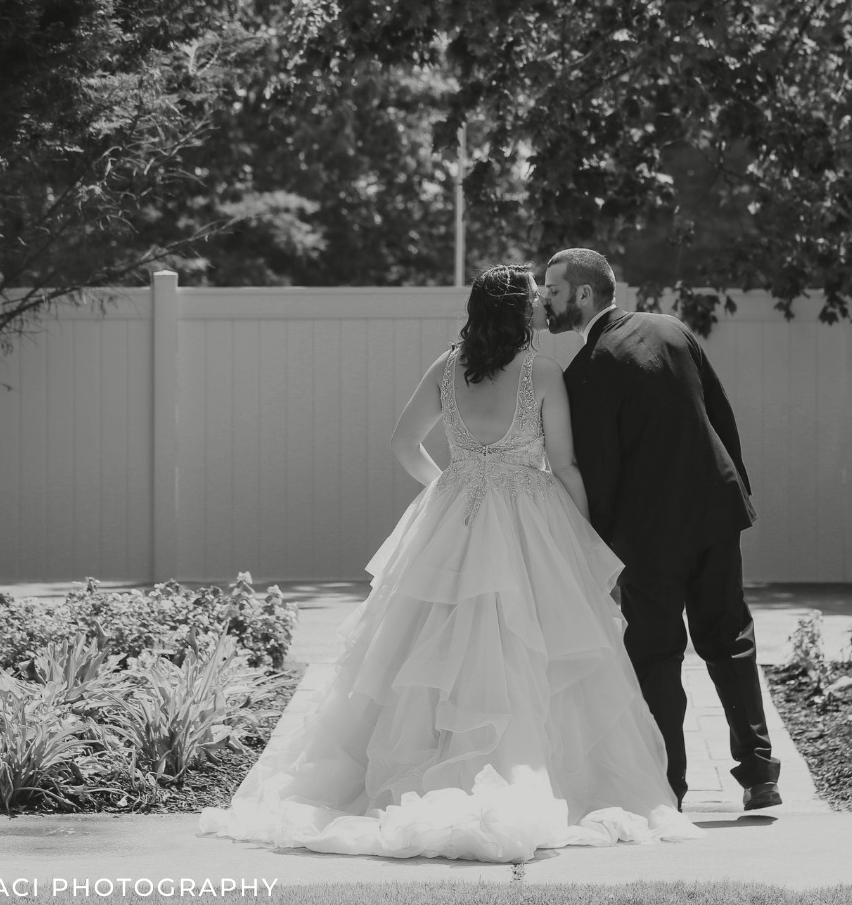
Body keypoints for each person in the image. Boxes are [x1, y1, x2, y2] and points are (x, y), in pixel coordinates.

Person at [199, 265, 703, 862]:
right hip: (530, 519)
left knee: (431, 646)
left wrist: (450, 483)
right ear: (518, 311)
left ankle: (433, 768)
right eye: (534, 299)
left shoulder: (448, 366)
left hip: (455, 515)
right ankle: (527, 774)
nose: (542, 305)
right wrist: (583, 542)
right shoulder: (542, 371)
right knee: (530, 647)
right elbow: (565, 465)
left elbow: (402, 442)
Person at [542, 248, 781, 811]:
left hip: (647, 535)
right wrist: (736, 491)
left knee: (655, 654)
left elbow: (598, 472)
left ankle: (669, 786)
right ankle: (759, 774)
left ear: (583, 294)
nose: (544, 300)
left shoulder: (586, 370)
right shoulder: (672, 329)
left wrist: (598, 552)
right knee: (731, 639)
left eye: (552, 290)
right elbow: (719, 413)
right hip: (714, 511)